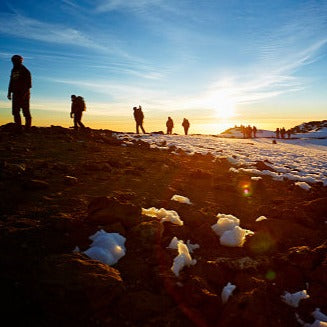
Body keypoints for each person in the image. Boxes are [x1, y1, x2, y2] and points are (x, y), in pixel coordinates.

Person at [7, 55, 32, 132]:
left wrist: (24, 94)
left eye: (15, 61)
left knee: (26, 111)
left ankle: (27, 128)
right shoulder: (13, 70)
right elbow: (11, 82)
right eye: (13, 61)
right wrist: (9, 92)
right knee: (15, 111)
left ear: (20, 61)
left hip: (24, 94)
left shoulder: (25, 71)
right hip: (15, 94)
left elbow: (29, 85)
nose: (14, 62)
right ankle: (18, 128)